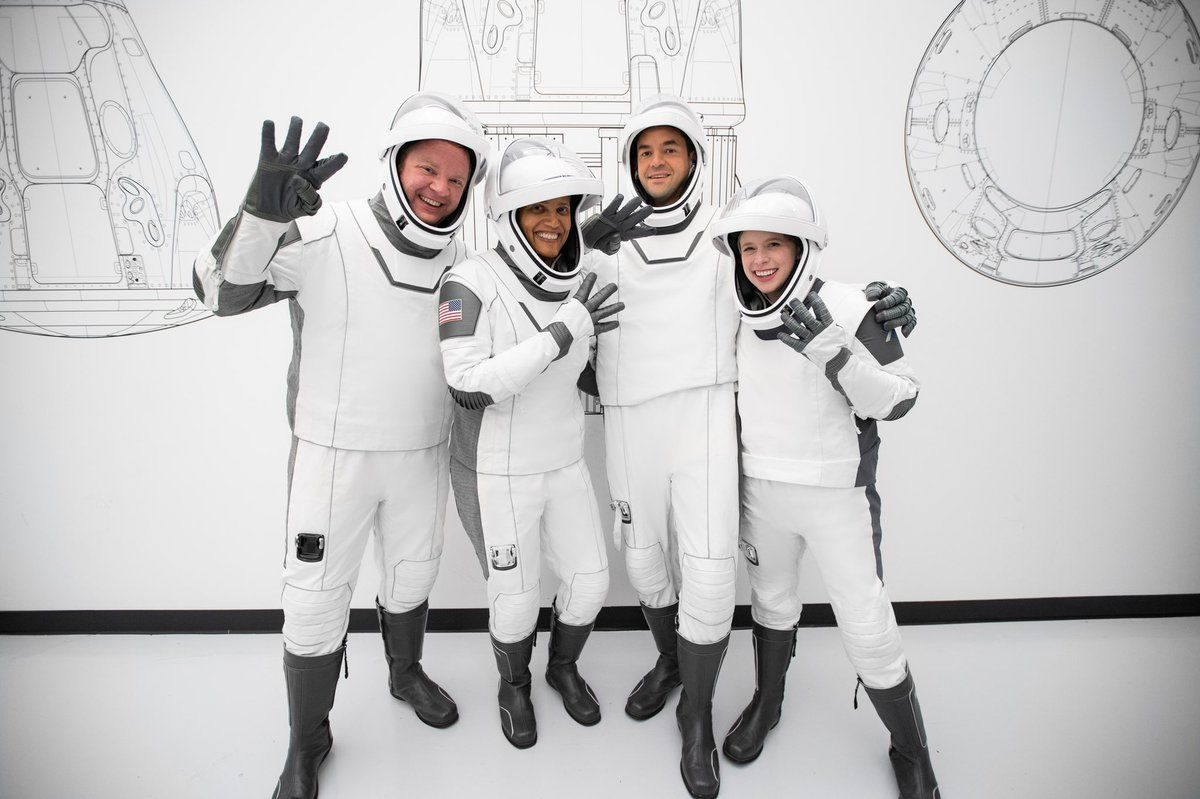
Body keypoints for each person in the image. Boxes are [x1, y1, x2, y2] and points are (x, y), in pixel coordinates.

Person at [583, 94, 918, 799]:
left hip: (706, 409)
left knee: (708, 576)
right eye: (644, 150)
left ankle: (696, 718)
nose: (656, 161)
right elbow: (541, 286)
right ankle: (674, 663)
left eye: (671, 148)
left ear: (697, 158)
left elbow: (791, 271)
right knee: (642, 559)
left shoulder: (727, 233)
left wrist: (882, 306)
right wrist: (581, 239)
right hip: (627, 415)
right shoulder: (607, 242)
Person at [192, 92, 490, 799]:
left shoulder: (466, 260)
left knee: (414, 571)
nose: (440, 187)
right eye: (428, 168)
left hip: (423, 451)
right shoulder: (328, 231)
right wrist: (260, 213)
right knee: (316, 598)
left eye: (456, 178)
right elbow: (218, 293)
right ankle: (307, 738)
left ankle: (404, 670)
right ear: (395, 164)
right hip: (333, 456)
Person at [709, 176, 938, 798]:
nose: (758, 259)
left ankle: (911, 750)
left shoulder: (850, 304)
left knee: (867, 624)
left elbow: (902, 399)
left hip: (839, 495)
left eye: (773, 246)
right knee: (771, 605)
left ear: (802, 247)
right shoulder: (729, 308)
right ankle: (768, 702)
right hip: (763, 490)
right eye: (747, 246)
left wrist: (835, 353)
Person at [437, 138, 633, 749]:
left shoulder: (585, 276)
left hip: (564, 461)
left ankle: (562, 667)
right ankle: (513, 684)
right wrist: (561, 331)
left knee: (592, 581)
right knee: (516, 598)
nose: (554, 222)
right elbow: (467, 386)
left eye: (564, 209)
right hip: (501, 471)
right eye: (538, 209)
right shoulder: (469, 279)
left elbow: (591, 369)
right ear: (508, 215)